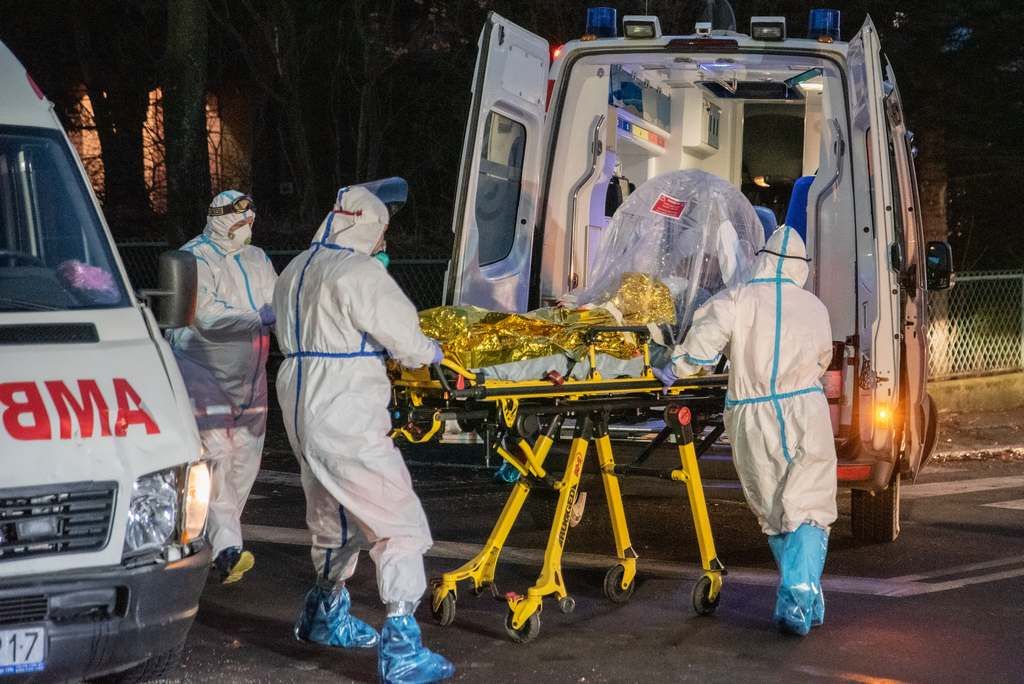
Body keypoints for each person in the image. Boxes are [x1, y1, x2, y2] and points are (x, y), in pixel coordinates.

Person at [273, 184, 453, 682]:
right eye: (381, 232)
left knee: (333, 514)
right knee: (398, 521)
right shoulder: (359, 272)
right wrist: (432, 352)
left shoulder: (295, 269)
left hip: (299, 401)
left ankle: (324, 613)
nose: (382, 242)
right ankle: (402, 645)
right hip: (344, 404)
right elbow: (407, 341)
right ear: (370, 226)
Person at [654, 226, 837, 636]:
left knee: (773, 510)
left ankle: (801, 597)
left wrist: (672, 367)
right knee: (810, 505)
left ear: (764, 259)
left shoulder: (736, 300)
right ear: (801, 267)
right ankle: (802, 598)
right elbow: (823, 358)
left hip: (753, 416)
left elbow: (699, 350)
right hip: (806, 411)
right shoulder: (815, 308)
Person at [168, 190, 277, 584]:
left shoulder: (257, 258)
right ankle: (229, 548)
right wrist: (259, 317)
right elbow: (207, 315)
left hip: (251, 376)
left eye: (250, 220)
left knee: (245, 462)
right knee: (216, 458)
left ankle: (215, 543)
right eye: (240, 220)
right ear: (221, 220)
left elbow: (277, 301)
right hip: (203, 371)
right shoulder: (194, 258)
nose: (247, 226)